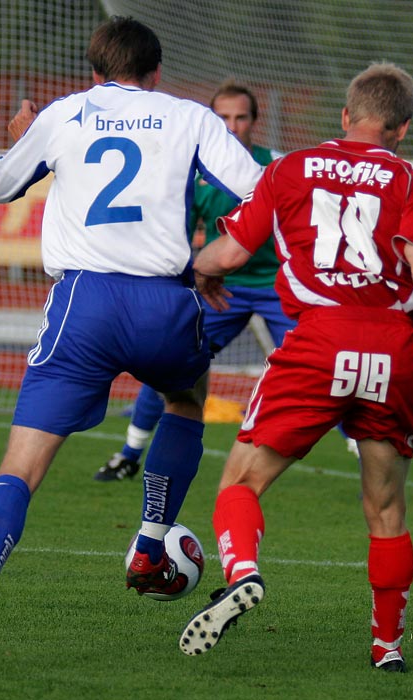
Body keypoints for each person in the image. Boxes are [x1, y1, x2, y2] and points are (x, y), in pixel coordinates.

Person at [0, 16, 263, 671]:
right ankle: (148, 541)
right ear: (156, 73)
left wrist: (24, 137)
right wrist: (210, 259)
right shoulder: (188, 115)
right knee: (186, 397)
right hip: (165, 301)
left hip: (83, 305)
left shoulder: (64, 114)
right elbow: (256, 189)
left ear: (94, 71)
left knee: (20, 467)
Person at [178, 62, 413, 672]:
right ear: (403, 128)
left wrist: (198, 270)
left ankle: (243, 573)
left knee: (240, 483)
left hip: (319, 340)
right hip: (393, 351)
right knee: (386, 508)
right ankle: (387, 646)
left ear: (344, 116)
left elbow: (228, 251)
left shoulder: (286, 170)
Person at [95, 81, 357, 482]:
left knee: (327, 365)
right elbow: (180, 236)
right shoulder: (194, 171)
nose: (232, 126)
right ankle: (129, 454)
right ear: (211, 121)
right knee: (169, 356)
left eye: (240, 117)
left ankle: (365, 460)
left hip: (277, 286)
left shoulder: (280, 165)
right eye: (223, 118)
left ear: (255, 121)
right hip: (220, 290)